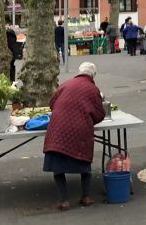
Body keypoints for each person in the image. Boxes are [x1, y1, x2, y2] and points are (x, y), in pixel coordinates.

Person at [42, 61, 106, 211]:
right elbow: (99, 114)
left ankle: (64, 200)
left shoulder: (65, 84)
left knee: (58, 167)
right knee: (84, 163)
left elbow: (52, 103)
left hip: (57, 129)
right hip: (80, 130)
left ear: (79, 72)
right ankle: (85, 196)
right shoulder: (93, 89)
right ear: (93, 75)